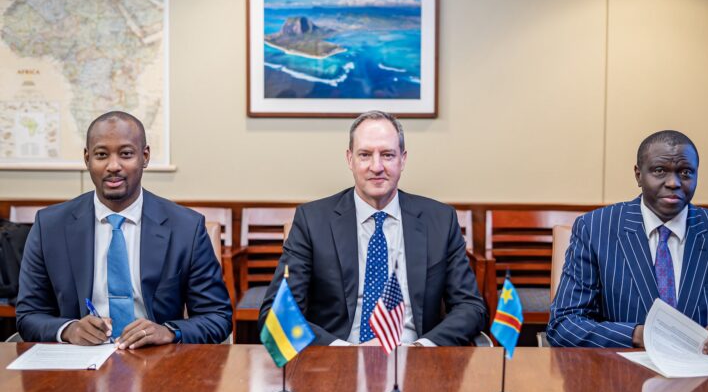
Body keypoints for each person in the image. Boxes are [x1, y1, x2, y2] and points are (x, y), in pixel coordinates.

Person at [259, 111, 486, 346]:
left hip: (415, 356)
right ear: (350, 159)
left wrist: (421, 347)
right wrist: (344, 351)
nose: (376, 167)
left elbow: (470, 307)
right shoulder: (312, 221)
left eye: (387, 155)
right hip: (337, 357)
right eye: (365, 155)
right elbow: (276, 313)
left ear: (402, 160)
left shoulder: (440, 221)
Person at [547, 130, 708, 351]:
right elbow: (564, 325)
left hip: (705, 373)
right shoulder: (595, 228)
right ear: (638, 175)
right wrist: (638, 335)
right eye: (659, 170)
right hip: (621, 372)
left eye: (686, 172)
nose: (674, 182)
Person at [16, 111, 232, 347]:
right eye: (101, 155)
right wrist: (69, 329)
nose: (113, 166)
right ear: (87, 159)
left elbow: (217, 317)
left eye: (126, 154)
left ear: (145, 157)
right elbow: (29, 315)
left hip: (156, 358)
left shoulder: (186, 228)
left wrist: (169, 332)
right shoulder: (50, 226)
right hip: (79, 358)